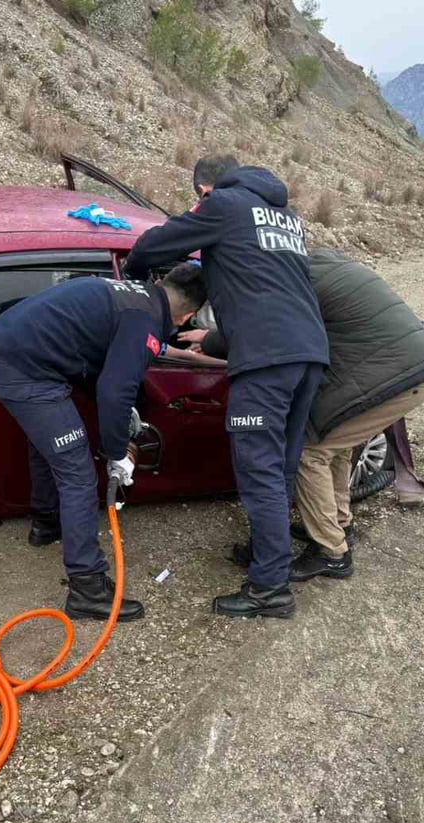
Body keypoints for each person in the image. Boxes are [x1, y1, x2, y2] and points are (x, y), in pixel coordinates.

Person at [124, 156, 329, 620]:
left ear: (204, 190)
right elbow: (264, 286)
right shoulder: (285, 216)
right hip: (308, 353)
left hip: (266, 359)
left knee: (258, 470)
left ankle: (270, 588)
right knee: (278, 468)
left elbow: (152, 245)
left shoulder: (223, 205)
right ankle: (267, 556)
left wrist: (135, 276)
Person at [190, 250, 424, 580]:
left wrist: (209, 341)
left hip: (392, 376)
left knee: (309, 453)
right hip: (410, 367)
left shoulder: (288, 282)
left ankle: (332, 553)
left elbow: (263, 330)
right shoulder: (313, 262)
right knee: (336, 448)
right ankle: (338, 525)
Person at [0, 265, 207, 621]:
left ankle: (46, 523)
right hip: (25, 370)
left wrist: (128, 412)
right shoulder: (145, 322)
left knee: (50, 446)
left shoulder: (133, 296)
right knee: (78, 474)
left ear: (162, 282)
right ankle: (87, 587)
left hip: (12, 352)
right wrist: (116, 453)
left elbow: (98, 364)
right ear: (188, 316)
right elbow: (114, 390)